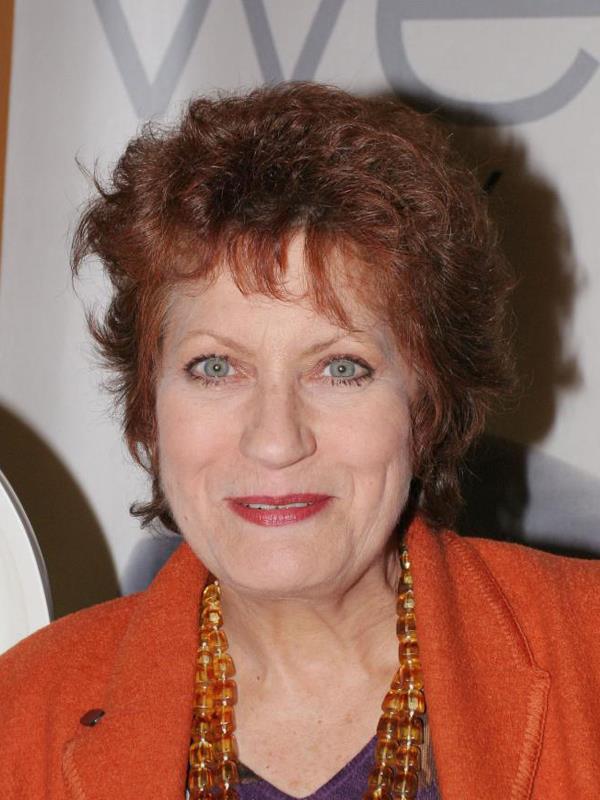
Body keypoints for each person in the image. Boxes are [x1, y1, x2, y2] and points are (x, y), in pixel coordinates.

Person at [1, 82, 599, 800]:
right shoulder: (23, 717)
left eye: (340, 368)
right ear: (149, 405)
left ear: (427, 403)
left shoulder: (586, 652)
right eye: (215, 367)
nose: (275, 441)